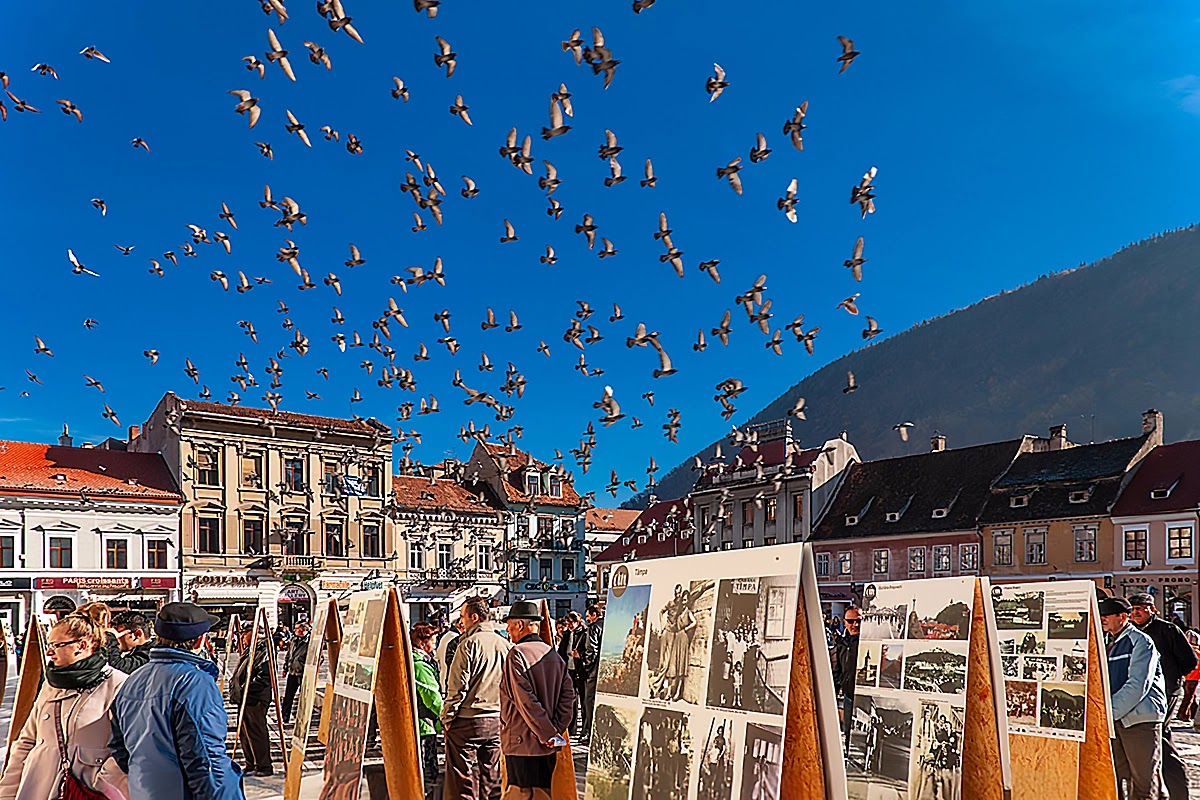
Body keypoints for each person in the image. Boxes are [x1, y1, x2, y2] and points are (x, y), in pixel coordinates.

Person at [110, 602, 243, 799]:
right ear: (199, 641)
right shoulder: (194, 682)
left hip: (144, 791)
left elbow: (118, 747)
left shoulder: (134, 678)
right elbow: (206, 760)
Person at [0, 613, 128, 800]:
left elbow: (130, 748)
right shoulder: (51, 685)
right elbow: (26, 742)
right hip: (39, 788)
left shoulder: (119, 685)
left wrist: (103, 780)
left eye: (56, 645)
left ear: (82, 646)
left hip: (89, 792)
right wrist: (7, 793)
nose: (49, 652)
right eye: (48, 645)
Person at [499, 601, 575, 800]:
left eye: (510, 624)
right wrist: (556, 729)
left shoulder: (517, 654)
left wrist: (548, 733)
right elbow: (569, 697)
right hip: (546, 746)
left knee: (520, 793)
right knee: (543, 794)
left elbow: (526, 701)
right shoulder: (553, 655)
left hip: (522, 743)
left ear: (520, 625)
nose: (508, 629)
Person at [441, 595, 511, 800]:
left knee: (462, 779)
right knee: (491, 779)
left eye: (462, 616)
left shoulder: (468, 644)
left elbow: (457, 688)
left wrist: (447, 717)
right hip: (495, 718)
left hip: (468, 719)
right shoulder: (505, 645)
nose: (461, 621)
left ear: (474, 617)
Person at [1129, 592, 1196, 800]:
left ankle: (1176, 792)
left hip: (1166, 692)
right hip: (1140, 694)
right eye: (1133, 609)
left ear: (1152, 609)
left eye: (1141, 608)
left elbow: (1189, 661)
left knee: (1159, 739)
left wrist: (1172, 678)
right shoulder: (1129, 632)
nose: (1136, 612)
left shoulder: (1168, 630)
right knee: (1155, 741)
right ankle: (1161, 791)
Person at [1100, 596, 1167, 800]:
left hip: (1139, 720)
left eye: (1106, 615)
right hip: (1117, 720)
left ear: (1122, 617)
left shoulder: (1140, 641)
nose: (1102, 619)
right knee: (1118, 778)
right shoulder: (1110, 642)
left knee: (1144, 782)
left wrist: (1108, 714)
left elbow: (1138, 685)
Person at [230, 628, 275, 777]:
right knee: (245, 733)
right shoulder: (251, 649)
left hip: (254, 698)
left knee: (256, 732)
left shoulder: (263, 651)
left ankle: (263, 766)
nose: (243, 638)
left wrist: (245, 689)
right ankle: (250, 763)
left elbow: (265, 677)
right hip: (245, 698)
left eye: (245, 635)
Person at [412, 622, 444, 800]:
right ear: (423, 644)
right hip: (425, 722)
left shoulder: (420, 660)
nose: (435, 644)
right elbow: (431, 696)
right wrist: (445, 714)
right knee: (428, 768)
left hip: (423, 720)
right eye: (433, 641)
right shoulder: (421, 665)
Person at [831, 605, 861, 750]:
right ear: (844, 622)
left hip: (862, 694)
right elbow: (838, 670)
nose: (855, 625)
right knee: (847, 730)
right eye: (851, 621)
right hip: (848, 695)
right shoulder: (841, 644)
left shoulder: (865, 642)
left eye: (858, 621)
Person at [577, 603, 604, 743]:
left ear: (595, 615)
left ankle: (589, 733)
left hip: (593, 671)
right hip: (604, 668)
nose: (587, 619)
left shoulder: (594, 628)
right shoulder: (607, 625)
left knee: (589, 702)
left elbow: (591, 650)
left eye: (589, 616)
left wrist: (586, 665)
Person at [281, 621, 310, 723]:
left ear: (303, 630)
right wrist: (285, 668)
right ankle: (284, 717)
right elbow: (289, 655)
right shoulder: (294, 640)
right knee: (288, 696)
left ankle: (303, 718)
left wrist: (306, 666)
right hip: (292, 672)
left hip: (303, 674)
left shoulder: (310, 642)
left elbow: (320, 658)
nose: (294, 630)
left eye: (296, 629)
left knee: (304, 697)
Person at [437, 615, 465, 695]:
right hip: (450, 681)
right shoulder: (457, 639)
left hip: (443, 678)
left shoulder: (446, 635)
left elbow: (437, 657)